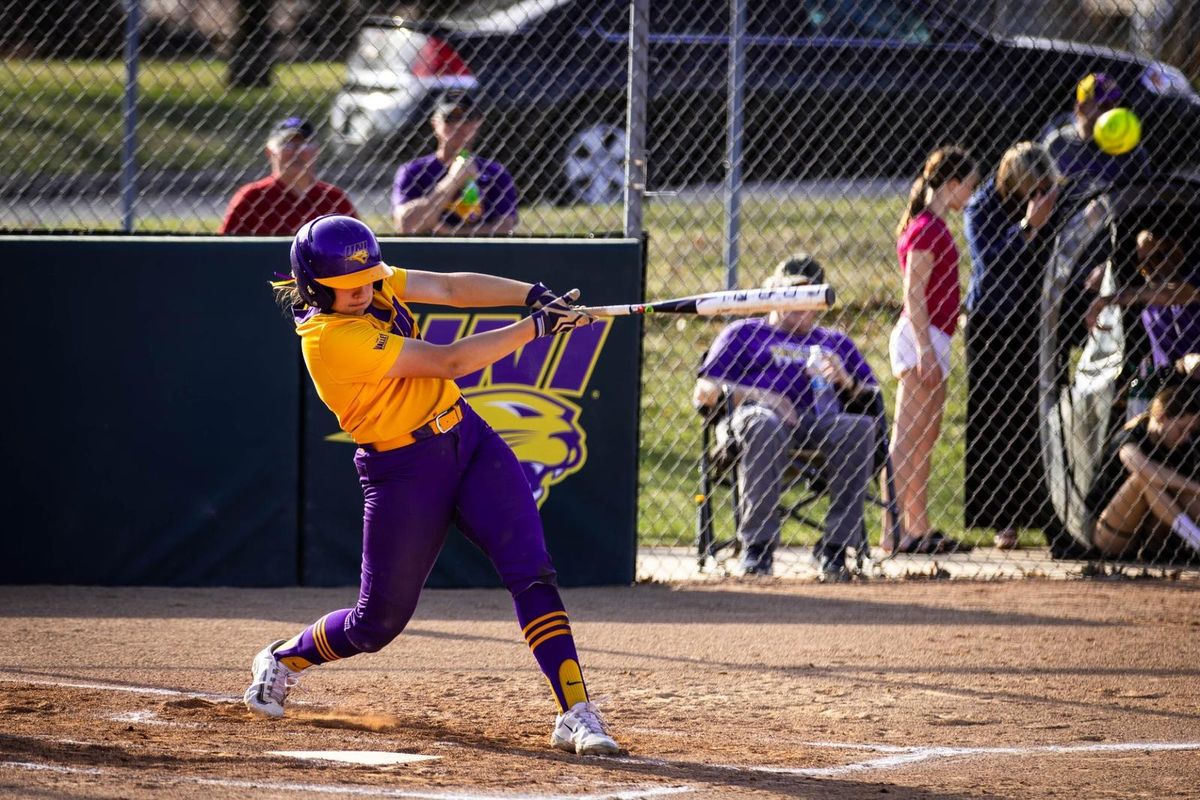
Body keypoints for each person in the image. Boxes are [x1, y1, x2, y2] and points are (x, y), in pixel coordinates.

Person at [245, 215, 619, 756]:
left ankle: (576, 711)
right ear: (313, 287)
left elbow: (448, 287)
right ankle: (284, 658)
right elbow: (449, 361)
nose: (365, 291)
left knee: (531, 571)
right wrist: (538, 327)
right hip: (403, 473)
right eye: (348, 288)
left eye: (370, 279)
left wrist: (535, 296)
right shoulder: (330, 340)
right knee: (376, 624)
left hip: (469, 440)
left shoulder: (368, 281)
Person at [693, 254, 881, 580]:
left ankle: (835, 549)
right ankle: (758, 549)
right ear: (774, 294)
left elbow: (872, 399)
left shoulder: (834, 341)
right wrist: (764, 397)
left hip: (817, 422)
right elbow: (703, 393)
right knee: (765, 423)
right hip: (754, 420)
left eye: (812, 296)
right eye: (795, 294)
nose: (803, 304)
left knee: (860, 429)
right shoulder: (743, 333)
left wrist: (844, 381)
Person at [963, 142, 1065, 549]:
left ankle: (1050, 516)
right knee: (997, 415)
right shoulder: (981, 207)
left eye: (1045, 187)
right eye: (1031, 188)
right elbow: (990, 264)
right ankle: (1002, 516)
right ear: (1013, 185)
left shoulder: (1052, 200)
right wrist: (1027, 226)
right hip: (994, 324)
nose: (1039, 195)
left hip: (1037, 320)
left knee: (1040, 416)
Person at [887, 146, 979, 555]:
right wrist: (924, 349)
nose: (972, 195)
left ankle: (917, 528)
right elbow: (913, 294)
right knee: (906, 440)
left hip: (935, 338)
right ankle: (893, 531)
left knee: (925, 439)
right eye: (969, 186)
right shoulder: (926, 228)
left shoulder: (937, 226)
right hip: (919, 338)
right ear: (952, 184)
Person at [1086, 377, 1200, 563]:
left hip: (1155, 536)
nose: (1185, 438)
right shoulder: (1131, 434)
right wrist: (1196, 487)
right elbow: (1141, 466)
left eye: (1190, 432)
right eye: (1182, 429)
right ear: (1162, 417)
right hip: (1114, 534)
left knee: (1179, 486)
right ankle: (1197, 539)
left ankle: (1185, 540)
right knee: (1145, 478)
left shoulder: (1182, 448)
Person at [392, 91, 518, 236]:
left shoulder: (495, 173)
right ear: (435, 123)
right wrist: (453, 180)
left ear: (478, 122)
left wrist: (453, 233)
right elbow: (406, 225)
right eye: (450, 118)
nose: (459, 125)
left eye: (467, 117)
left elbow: (505, 228)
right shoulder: (413, 171)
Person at [219, 117, 357, 236]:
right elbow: (224, 251)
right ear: (269, 151)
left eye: (304, 144)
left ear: (316, 151)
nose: (296, 152)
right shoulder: (251, 198)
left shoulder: (335, 199)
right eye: (287, 144)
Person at [1085, 229, 1200, 369]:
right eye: (1144, 265)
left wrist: (1106, 301)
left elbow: (1170, 294)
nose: (1153, 268)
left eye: (1158, 256)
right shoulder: (1151, 310)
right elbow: (1168, 364)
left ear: (1177, 251)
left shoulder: (1193, 281)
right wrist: (1184, 364)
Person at [1042, 72, 1149, 186]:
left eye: (1116, 104)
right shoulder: (1057, 143)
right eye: (1105, 106)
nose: (1113, 112)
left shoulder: (1130, 151)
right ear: (1081, 108)